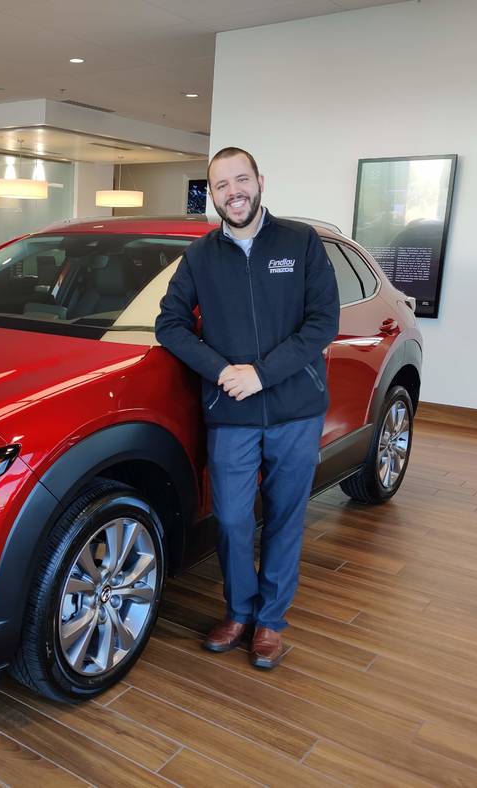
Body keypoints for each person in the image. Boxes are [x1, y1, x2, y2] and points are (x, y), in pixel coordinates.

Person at [155, 147, 339, 669]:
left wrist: (262, 373)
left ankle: (270, 622)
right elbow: (168, 324)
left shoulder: (301, 243)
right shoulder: (200, 256)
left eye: (241, 179)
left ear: (260, 181)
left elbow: (322, 323)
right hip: (231, 411)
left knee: (285, 517)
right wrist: (220, 370)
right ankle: (238, 610)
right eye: (221, 185)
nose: (233, 191)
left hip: (295, 409)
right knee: (233, 519)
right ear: (212, 195)